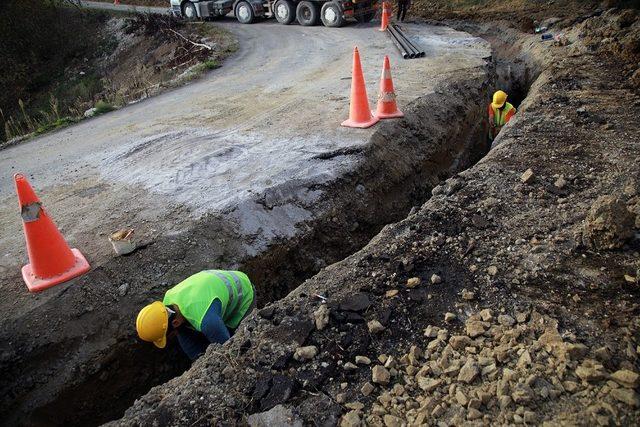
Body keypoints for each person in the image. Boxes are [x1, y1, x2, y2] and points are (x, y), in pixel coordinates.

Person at [136, 270, 256, 360]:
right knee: (186, 330)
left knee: (242, 339)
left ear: (175, 323)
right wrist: (198, 361)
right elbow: (189, 343)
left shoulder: (208, 321)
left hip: (242, 295)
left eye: (170, 334)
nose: (173, 336)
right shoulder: (168, 305)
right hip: (213, 290)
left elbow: (230, 351)